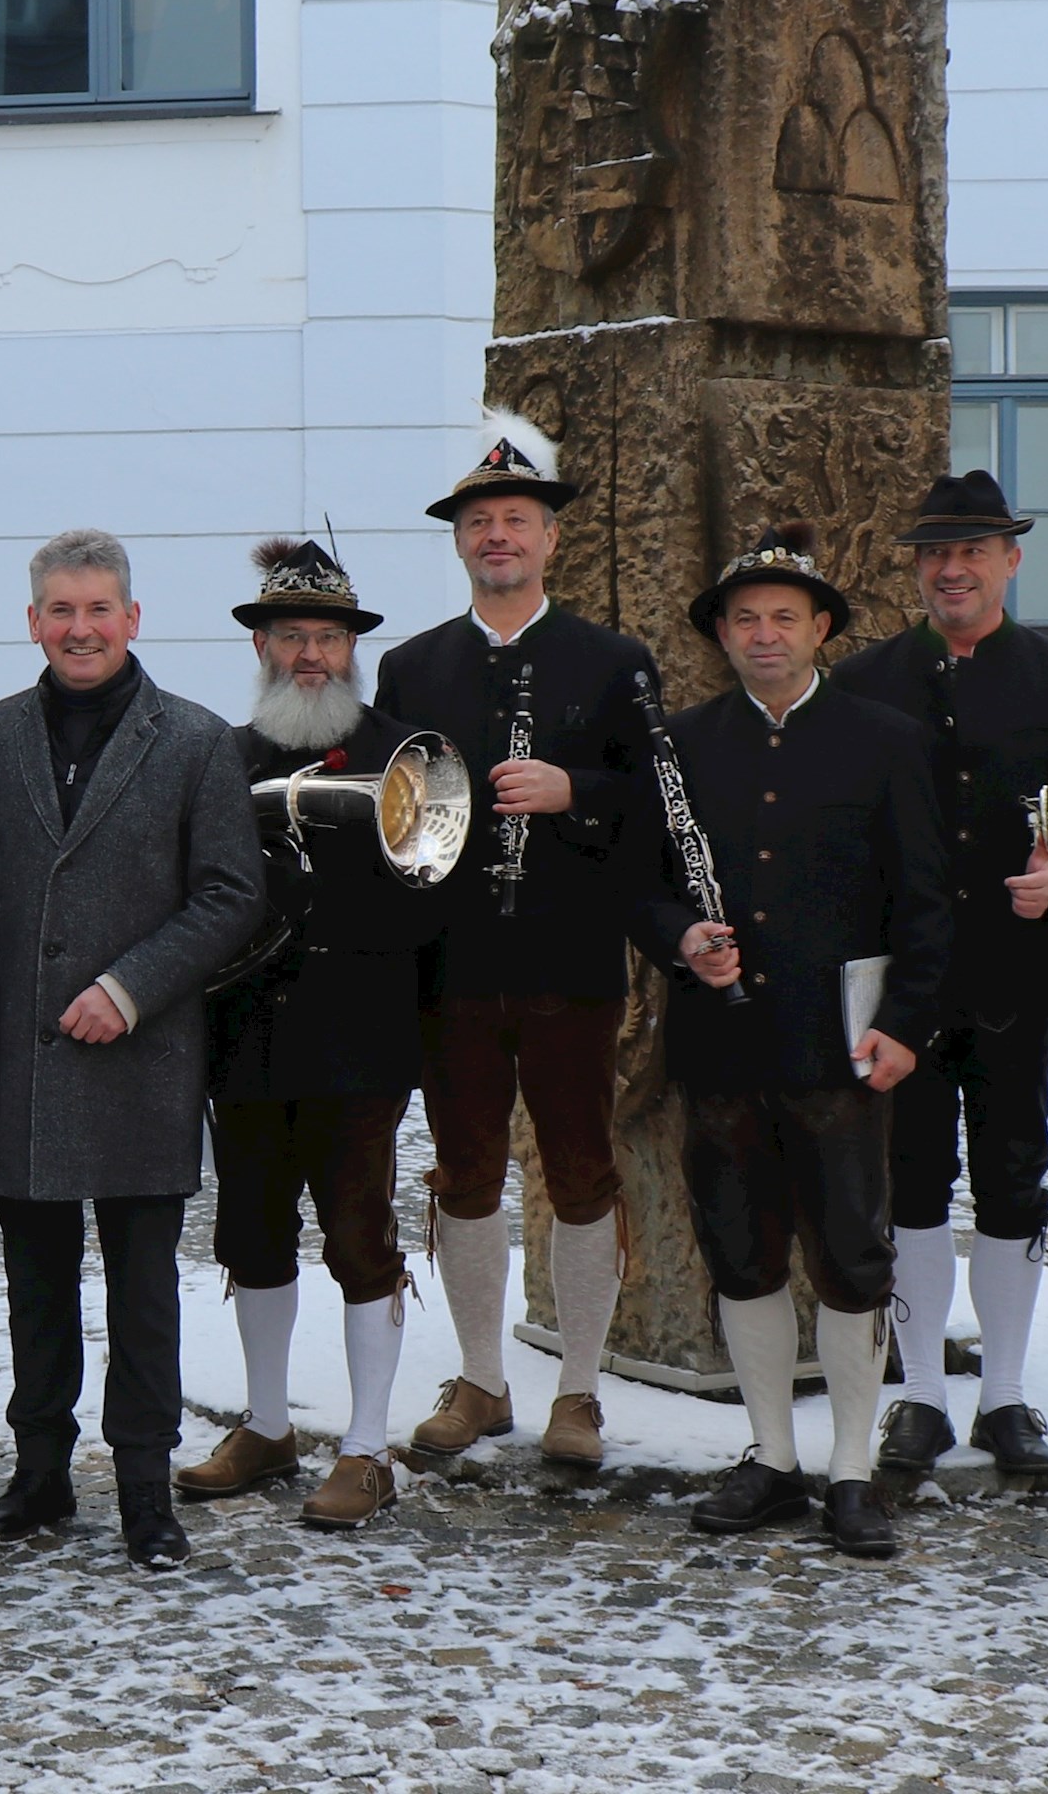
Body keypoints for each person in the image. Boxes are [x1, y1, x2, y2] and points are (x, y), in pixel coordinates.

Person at [0, 529, 262, 1570]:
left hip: (139, 1060)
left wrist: (129, 986)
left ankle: (144, 1489)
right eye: (60, 611)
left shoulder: (198, 740)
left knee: (142, 1290)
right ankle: (38, 1477)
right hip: (20, 1061)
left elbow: (231, 896)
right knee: (34, 1284)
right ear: (33, 623)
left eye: (98, 609)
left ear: (132, 618)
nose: (80, 628)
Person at [633, 527, 946, 1558]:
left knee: (852, 1255)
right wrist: (682, 936)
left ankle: (853, 1468)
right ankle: (771, 1455)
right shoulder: (680, 741)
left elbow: (927, 905)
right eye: (744, 618)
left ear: (820, 630)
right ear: (720, 634)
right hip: (721, 1043)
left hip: (839, 1047)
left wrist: (905, 1025)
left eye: (784, 617)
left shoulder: (886, 738)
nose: (763, 634)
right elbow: (641, 884)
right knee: (740, 1248)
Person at [829, 470, 1048, 1491]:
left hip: (1013, 972)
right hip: (906, 982)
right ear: (915, 567)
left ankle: (1002, 1389)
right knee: (909, 1183)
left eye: (970, 551)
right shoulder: (866, 680)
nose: (950, 569)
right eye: (932, 553)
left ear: (1010, 559)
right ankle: (919, 1394)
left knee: (1010, 1179)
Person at [370, 415, 655, 1467]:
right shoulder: (411, 665)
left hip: (572, 960)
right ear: (459, 542)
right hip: (453, 963)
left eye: (517, 520)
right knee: (464, 1170)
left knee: (581, 1171)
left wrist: (574, 788)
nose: (498, 535)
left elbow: (656, 802)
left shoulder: (614, 661)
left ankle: (577, 1390)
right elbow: (393, 815)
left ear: (549, 539)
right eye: (481, 521)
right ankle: (482, 1378)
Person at [173, 540, 450, 1531]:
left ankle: (368, 1445)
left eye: (326, 636)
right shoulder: (223, 756)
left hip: (360, 1035)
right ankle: (265, 1424)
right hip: (246, 1034)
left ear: (350, 647)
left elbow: (433, 906)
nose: (308, 654)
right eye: (290, 635)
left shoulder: (408, 753)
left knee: (360, 1238)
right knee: (251, 1235)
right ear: (262, 645)